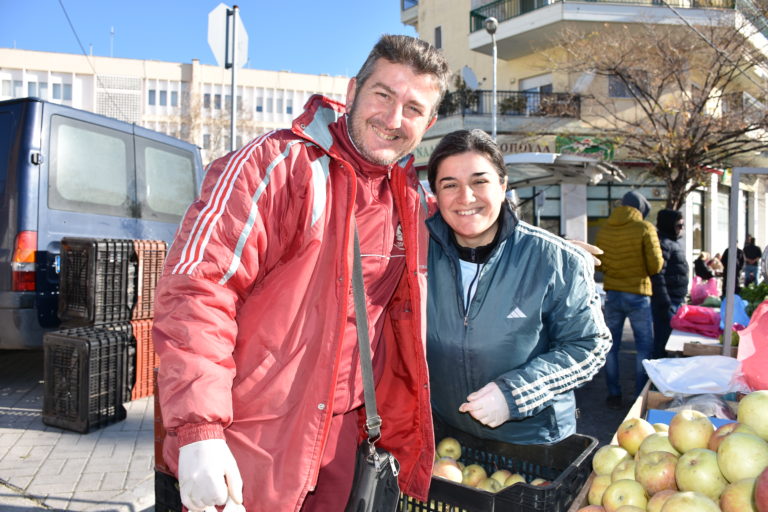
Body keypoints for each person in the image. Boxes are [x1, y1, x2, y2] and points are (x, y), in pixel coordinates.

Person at [152, 35, 450, 512]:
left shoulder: (407, 197)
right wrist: (198, 430)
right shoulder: (278, 165)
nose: (394, 120)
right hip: (252, 436)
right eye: (383, 95)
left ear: (429, 124)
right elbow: (197, 289)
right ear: (351, 92)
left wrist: (543, 243)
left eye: (413, 108)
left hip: (346, 438)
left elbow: (469, 222)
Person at [424, 129, 611, 445]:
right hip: (446, 441)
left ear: (502, 185)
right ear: (436, 195)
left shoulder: (555, 260)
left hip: (533, 443)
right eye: (449, 185)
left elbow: (590, 345)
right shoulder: (419, 255)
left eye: (479, 181)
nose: (465, 197)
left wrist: (517, 393)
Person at [596, 191, 664, 409]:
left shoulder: (606, 228)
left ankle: (613, 393)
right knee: (644, 346)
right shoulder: (645, 228)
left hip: (613, 292)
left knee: (610, 346)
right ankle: (639, 397)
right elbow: (655, 266)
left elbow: (600, 263)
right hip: (638, 293)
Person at [650, 209, 689, 358]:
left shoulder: (673, 242)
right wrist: (665, 301)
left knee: (667, 342)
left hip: (675, 299)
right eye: (679, 225)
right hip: (668, 301)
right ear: (669, 225)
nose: (681, 229)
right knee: (662, 343)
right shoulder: (664, 244)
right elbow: (658, 274)